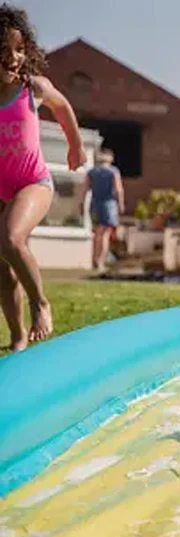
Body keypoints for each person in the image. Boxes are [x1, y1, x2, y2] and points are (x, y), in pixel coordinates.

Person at [0, 4, 86, 351]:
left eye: (19, 49)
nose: (14, 58)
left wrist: (76, 147)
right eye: (4, 51)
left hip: (32, 183)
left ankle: (41, 303)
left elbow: (62, 106)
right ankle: (18, 338)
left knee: (9, 238)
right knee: (2, 270)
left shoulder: (31, 87)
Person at [83, 148, 125, 272]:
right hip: (109, 204)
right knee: (105, 234)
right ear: (110, 159)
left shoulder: (91, 172)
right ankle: (101, 262)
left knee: (97, 233)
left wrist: (81, 203)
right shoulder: (113, 171)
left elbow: (85, 189)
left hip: (95, 203)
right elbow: (118, 189)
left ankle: (94, 260)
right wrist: (121, 204)